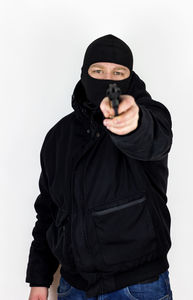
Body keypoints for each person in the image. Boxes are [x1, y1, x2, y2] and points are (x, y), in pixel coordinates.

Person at [25, 34, 173, 300]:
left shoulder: (150, 115)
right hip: (73, 287)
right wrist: (39, 278)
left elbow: (152, 139)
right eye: (98, 70)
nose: (108, 79)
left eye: (118, 72)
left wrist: (133, 124)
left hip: (136, 285)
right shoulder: (59, 136)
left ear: (130, 77)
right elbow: (48, 210)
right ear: (84, 74)